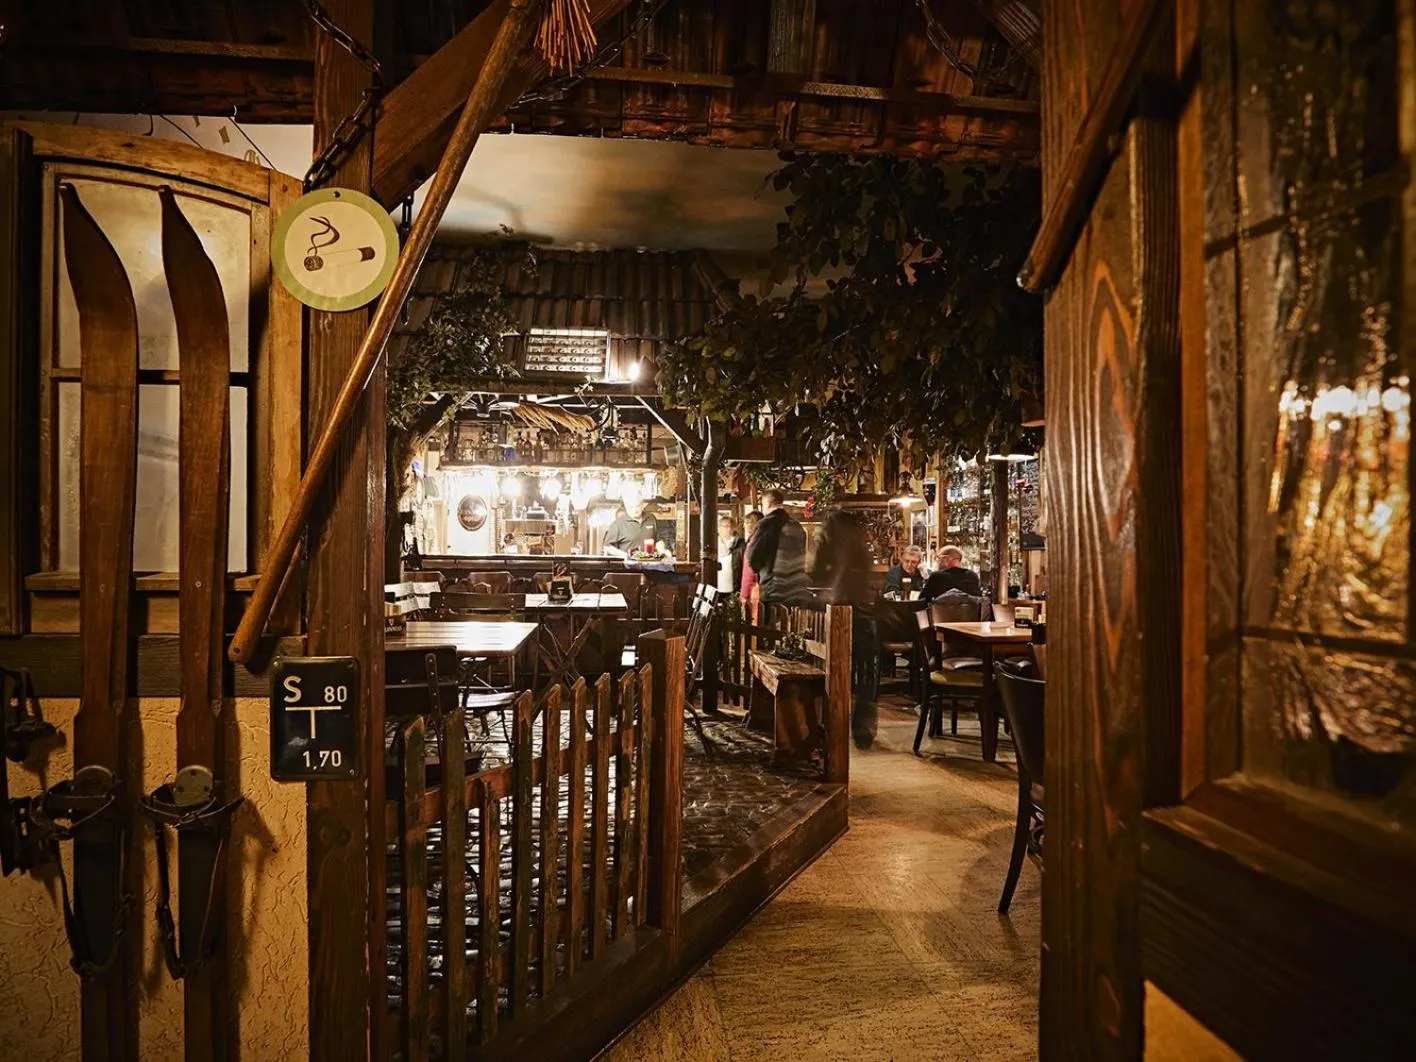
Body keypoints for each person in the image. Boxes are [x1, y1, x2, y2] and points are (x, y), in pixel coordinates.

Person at [810, 508, 880, 748]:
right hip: (863, 610)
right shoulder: (859, 539)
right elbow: (866, 574)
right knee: (865, 671)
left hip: (836, 609)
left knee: (834, 668)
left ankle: (832, 725)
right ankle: (863, 726)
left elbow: (817, 573)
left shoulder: (827, 536)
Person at [746, 491, 809, 607]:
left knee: (774, 622)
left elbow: (752, 557)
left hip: (775, 589)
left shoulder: (766, 524)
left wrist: (760, 569)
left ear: (767, 504)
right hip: (797, 587)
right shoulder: (797, 526)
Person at [602, 484, 658, 557]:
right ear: (626, 506)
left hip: (650, 565)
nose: (634, 510)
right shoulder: (618, 524)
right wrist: (625, 555)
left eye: (637, 506)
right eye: (631, 507)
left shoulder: (651, 518)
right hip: (628, 566)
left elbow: (658, 540)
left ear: (642, 505)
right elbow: (607, 547)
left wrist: (663, 551)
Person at [716, 514, 744, 595]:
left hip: (734, 587)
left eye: (731, 526)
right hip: (717, 586)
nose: (729, 529)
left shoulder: (740, 544)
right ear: (719, 528)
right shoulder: (714, 544)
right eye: (726, 526)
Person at [739, 509, 764, 601]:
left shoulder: (753, 544)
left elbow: (748, 573)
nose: (744, 526)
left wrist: (744, 596)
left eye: (746, 523)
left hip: (755, 592)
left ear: (751, 525)